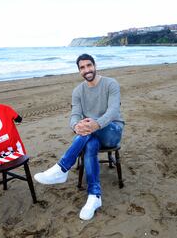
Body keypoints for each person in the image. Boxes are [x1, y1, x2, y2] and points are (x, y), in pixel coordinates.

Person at [34, 53, 124, 220]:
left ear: (95, 65)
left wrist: (95, 124)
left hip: (112, 131)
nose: (87, 70)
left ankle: (62, 168)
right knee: (88, 143)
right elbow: (75, 115)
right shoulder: (77, 91)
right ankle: (94, 197)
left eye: (89, 65)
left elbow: (113, 111)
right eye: (82, 67)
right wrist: (76, 126)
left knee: (87, 131)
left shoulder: (111, 84)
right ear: (79, 71)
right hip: (91, 134)